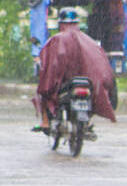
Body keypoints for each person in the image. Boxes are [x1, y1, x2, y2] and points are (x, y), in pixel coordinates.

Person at [33, 7, 118, 138]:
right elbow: (102, 66)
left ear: (60, 23)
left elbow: (49, 66)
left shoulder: (56, 40)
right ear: (77, 23)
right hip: (87, 82)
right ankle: (88, 123)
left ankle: (45, 122)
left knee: (43, 92)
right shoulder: (90, 42)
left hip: (64, 82)